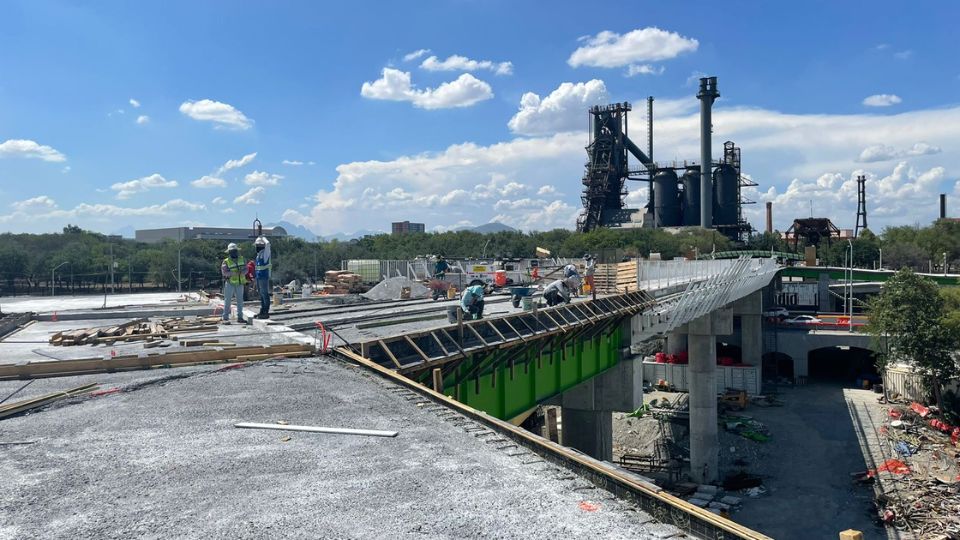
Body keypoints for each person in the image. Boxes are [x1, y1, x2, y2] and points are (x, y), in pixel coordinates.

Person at [221, 243, 247, 324]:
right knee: (227, 300)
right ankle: (225, 317)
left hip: (240, 283)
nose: (234, 253)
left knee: (240, 301)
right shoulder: (226, 261)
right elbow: (224, 272)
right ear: (229, 252)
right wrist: (233, 273)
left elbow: (246, 269)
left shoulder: (242, 259)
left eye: (235, 251)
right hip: (230, 283)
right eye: (232, 251)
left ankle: (240, 317)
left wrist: (243, 272)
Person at [253, 236, 272, 319]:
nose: (256, 247)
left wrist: (263, 238)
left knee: (264, 294)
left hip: (263, 276)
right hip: (259, 276)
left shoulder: (265, 253)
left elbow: (268, 244)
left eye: (258, 245)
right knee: (261, 294)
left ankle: (265, 311)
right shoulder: (259, 255)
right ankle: (262, 310)